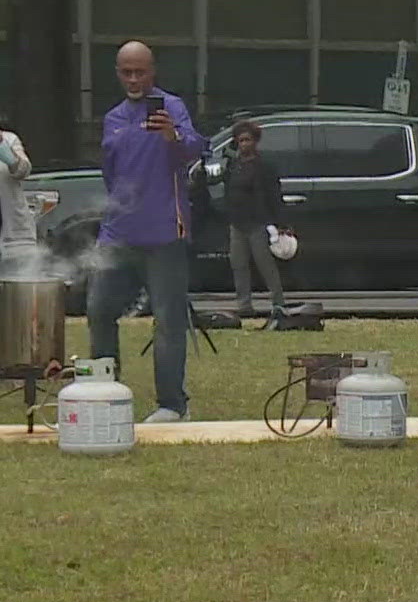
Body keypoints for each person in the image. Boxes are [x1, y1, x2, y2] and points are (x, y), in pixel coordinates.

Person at [89, 41, 206, 423]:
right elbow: (111, 173)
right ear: (118, 73)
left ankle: (173, 405)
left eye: (141, 71)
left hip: (164, 234)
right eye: (127, 72)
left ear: (153, 71)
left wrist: (174, 136)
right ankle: (105, 393)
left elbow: (195, 150)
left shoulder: (171, 108)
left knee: (168, 319)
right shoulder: (112, 118)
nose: (134, 79)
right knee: (98, 309)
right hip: (118, 232)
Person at [213, 120, 288, 318]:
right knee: (238, 264)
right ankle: (244, 304)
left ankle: (278, 303)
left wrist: (281, 223)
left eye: (247, 140)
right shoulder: (233, 165)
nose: (244, 144)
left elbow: (274, 195)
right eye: (240, 140)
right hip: (237, 222)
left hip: (258, 221)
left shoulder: (264, 166)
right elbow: (224, 185)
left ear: (255, 141)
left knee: (265, 264)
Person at [0, 111, 36, 271]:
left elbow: (23, 170)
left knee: (17, 290)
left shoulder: (9, 139)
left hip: (13, 238)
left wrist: (6, 152)